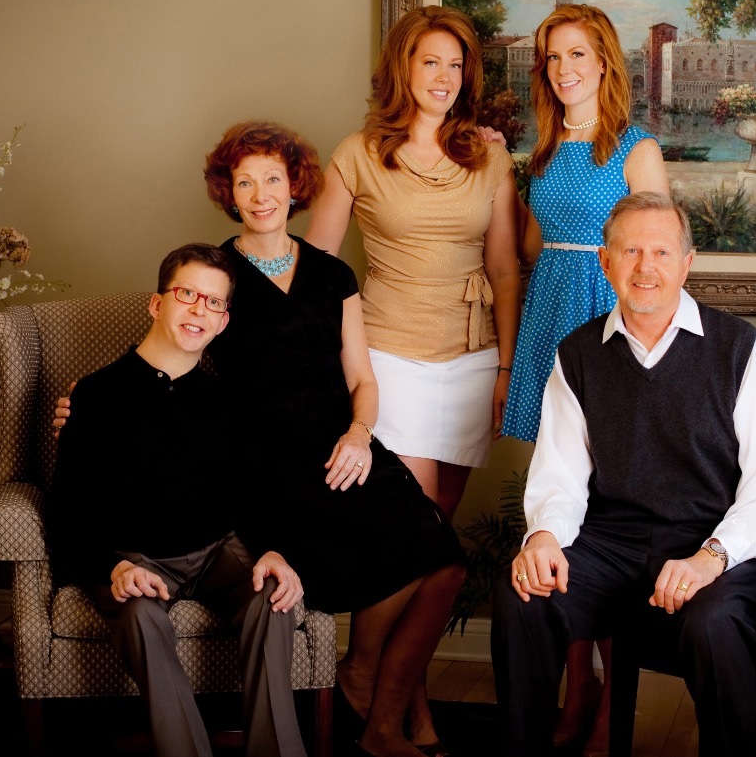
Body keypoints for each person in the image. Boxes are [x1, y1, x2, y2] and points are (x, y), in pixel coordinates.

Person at [57, 121, 468, 757]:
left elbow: (362, 377)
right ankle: (386, 723)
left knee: (441, 555)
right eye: (244, 182)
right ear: (229, 192)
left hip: (340, 444)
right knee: (367, 553)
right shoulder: (219, 277)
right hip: (263, 460)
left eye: (272, 179)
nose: (260, 194)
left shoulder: (332, 275)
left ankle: (364, 677)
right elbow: (172, 342)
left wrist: (360, 434)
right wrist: (88, 400)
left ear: (294, 185)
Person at [491, 192, 756, 757]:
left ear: (687, 263)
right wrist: (544, 537)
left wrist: (710, 557)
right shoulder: (578, 353)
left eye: (661, 252)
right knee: (524, 597)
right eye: (630, 251)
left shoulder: (739, 348)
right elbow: (560, 474)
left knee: (713, 625)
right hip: (613, 544)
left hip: (711, 542)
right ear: (606, 262)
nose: (645, 267)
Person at [46, 242, 308, 757]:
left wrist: (274, 550)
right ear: (157, 303)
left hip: (217, 552)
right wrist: (116, 567)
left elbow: (258, 491)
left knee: (274, 595)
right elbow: (68, 510)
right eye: (187, 294)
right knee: (139, 612)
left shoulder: (227, 400)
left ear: (223, 322)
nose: (199, 310)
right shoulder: (95, 395)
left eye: (213, 302)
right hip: (135, 559)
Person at [499, 2, 670, 754]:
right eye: (552, 56)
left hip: (609, 317)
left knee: (608, 513)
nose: (563, 68)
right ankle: (576, 686)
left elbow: (658, 256)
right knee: (558, 501)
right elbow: (529, 246)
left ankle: (607, 704)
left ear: (603, 62)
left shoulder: (635, 147)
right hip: (549, 314)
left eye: (576, 54)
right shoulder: (539, 154)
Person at [305, 4, 521, 525]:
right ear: (403, 68)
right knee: (412, 519)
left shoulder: (490, 158)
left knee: (443, 515)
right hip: (389, 355)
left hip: (474, 357)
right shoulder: (357, 154)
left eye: (455, 65)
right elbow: (316, 270)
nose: (444, 77)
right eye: (431, 62)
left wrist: (506, 369)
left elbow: (505, 272)